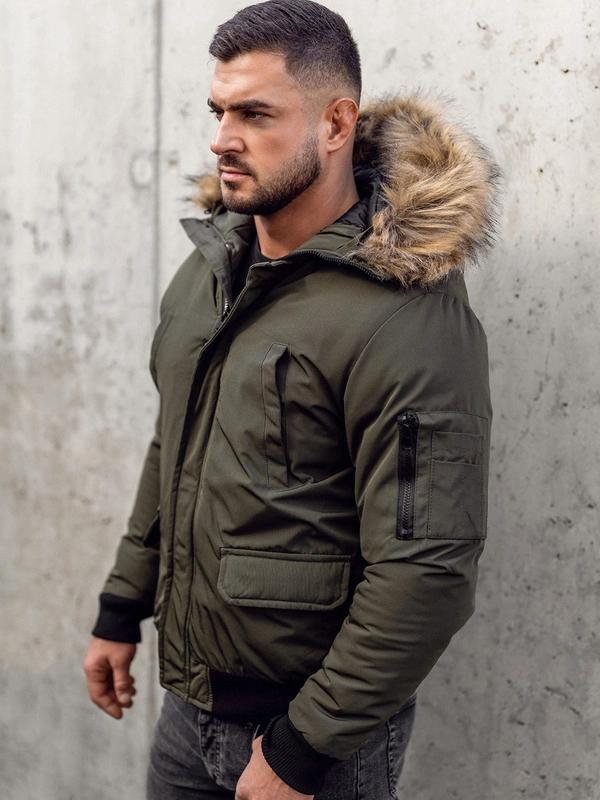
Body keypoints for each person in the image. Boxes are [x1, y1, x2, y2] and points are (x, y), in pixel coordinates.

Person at [83, 1, 499, 798]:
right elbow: (176, 444)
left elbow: (428, 567)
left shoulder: (404, 313)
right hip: (188, 709)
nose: (221, 137)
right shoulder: (211, 267)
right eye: (218, 111)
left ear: (335, 124)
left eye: (254, 114)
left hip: (314, 741)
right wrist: (120, 606)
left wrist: (302, 750)